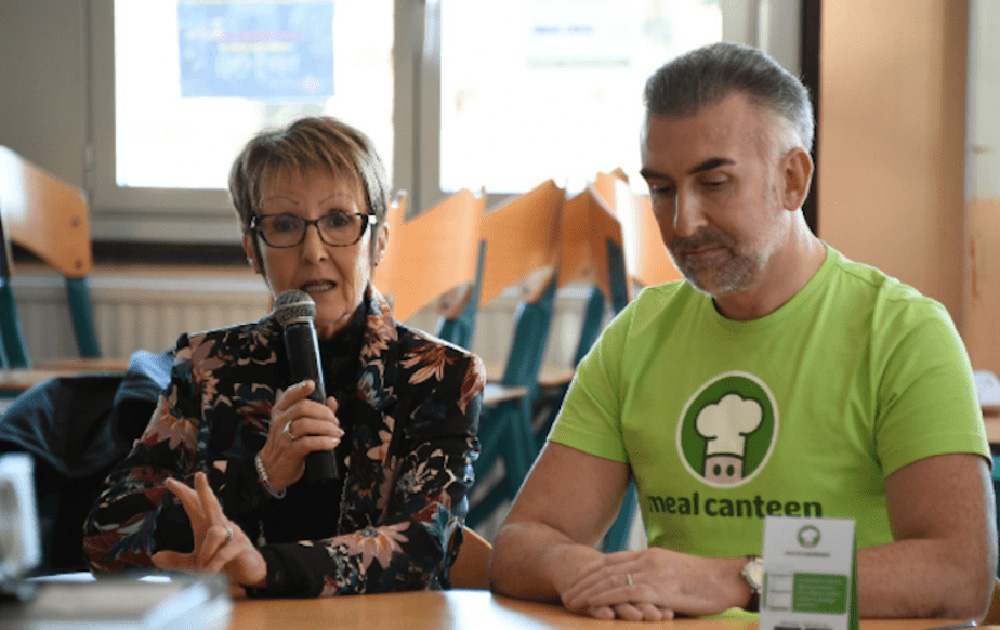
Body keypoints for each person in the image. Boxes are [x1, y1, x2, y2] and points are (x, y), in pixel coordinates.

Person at [489, 42, 996, 621]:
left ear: (792, 179)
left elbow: (958, 575)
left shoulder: (904, 334)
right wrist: (584, 571)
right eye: (661, 189)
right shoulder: (637, 335)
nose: (683, 222)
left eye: (715, 183)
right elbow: (523, 540)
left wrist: (740, 579)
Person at [83, 116, 486, 597]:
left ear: (378, 241)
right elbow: (106, 537)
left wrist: (264, 569)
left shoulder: (439, 374)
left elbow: (425, 546)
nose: (313, 251)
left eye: (339, 220)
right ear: (253, 250)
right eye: (285, 225)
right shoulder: (208, 365)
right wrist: (258, 477)